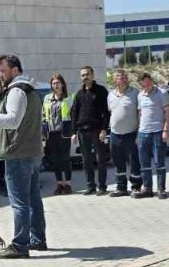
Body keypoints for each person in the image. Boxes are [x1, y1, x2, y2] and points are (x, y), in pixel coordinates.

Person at [0, 55, 45, 259]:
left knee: (20, 202)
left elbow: (12, 121)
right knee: (33, 199)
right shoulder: (30, 90)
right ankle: (38, 239)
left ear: (14, 70)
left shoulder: (17, 91)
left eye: (3, 71)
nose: (0, 75)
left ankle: (20, 245)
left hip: (18, 154)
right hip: (30, 151)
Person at [71, 65, 110, 195]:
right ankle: (90, 186)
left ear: (92, 75)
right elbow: (74, 114)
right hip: (82, 131)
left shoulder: (101, 91)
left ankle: (102, 186)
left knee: (100, 159)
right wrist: (73, 132)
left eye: (87, 74)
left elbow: (106, 112)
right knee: (86, 160)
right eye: (82, 75)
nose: (85, 77)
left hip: (97, 130)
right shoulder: (79, 94)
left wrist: (104, 129)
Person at [135, 72, 169, 199]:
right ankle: (147, 188)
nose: (147, 87)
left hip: (157, 132)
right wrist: (138, 130)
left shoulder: (162, 93)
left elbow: (168, 112)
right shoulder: (140, 96)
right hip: (143, 133)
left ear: (151, 80)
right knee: (144, 164)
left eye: (148, 83)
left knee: (159, 163)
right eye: (144, 85)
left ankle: (161, 189)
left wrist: (165, 130)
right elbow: (140, 114)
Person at [107, 69, 142, 196]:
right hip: (115, 135)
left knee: (134, 162)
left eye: (123, 76)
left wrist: (139, 131)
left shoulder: (135, 93)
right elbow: (111, 112)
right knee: (118, 162)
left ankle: (136, 187)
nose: (121, 78)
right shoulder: (111, 95)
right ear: (114, 80)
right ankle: (121, 187)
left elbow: (140, 113)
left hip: (131, 134)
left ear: (127, 78)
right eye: (118, 76)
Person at [41, 74, 74, 195]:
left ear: (63, 84)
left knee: (65, 159)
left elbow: (73, 116)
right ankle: (59, 183)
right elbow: (43, 116)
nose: (56, 85)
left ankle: (68, 184)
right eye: (54, 83)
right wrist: (43, 133)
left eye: (58, 83)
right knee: (55, 160)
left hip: (64, 133)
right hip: (51, 134)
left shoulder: (69, 98)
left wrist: (73, 132)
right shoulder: (47, 98)